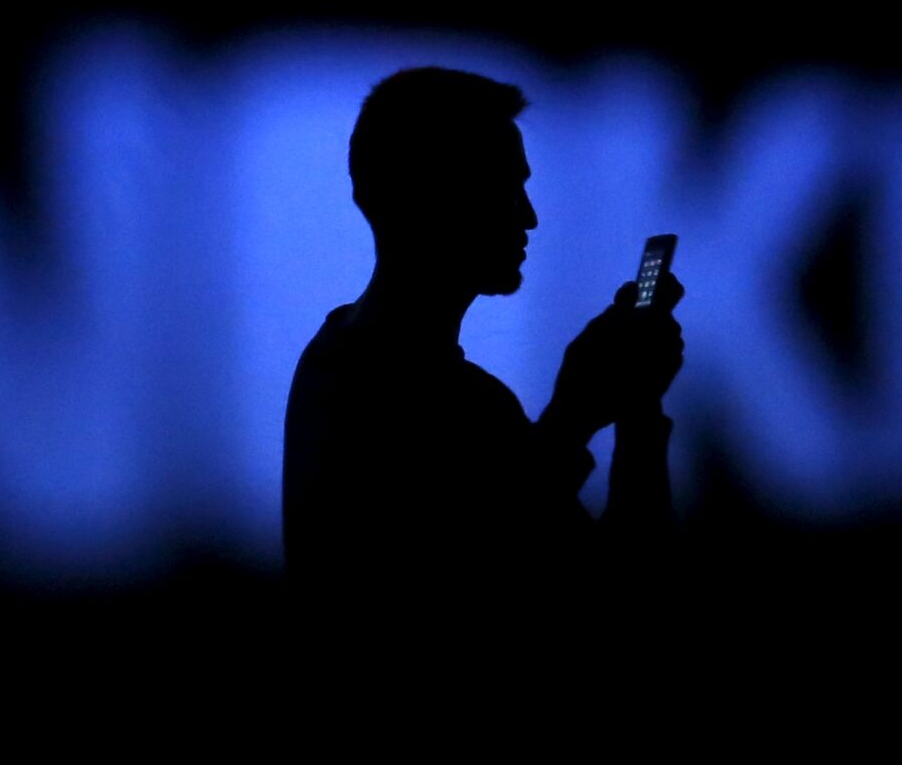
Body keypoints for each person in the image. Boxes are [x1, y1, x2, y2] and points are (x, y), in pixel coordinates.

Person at [281, 67, 684, 636]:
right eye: (503, 185)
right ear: (430, 195)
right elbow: (624, 596)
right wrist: (611, 413)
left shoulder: (330, 359)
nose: (529, 215)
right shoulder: (451, 405)